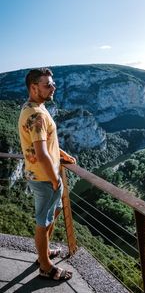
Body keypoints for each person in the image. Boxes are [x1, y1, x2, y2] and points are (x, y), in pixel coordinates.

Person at [18, 67, 76, 281]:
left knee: (56, 210)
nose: (54, 87)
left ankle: (44, 253)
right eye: (47, 84)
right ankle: (45, 266)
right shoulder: (37, 115)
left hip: (39, 175)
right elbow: (41, 153)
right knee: (42, 222)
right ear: (34, 88)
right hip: (45, 177)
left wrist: (62, 153)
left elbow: (44, 144)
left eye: (52, 83)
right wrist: (55, 179)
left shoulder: (31, 107)